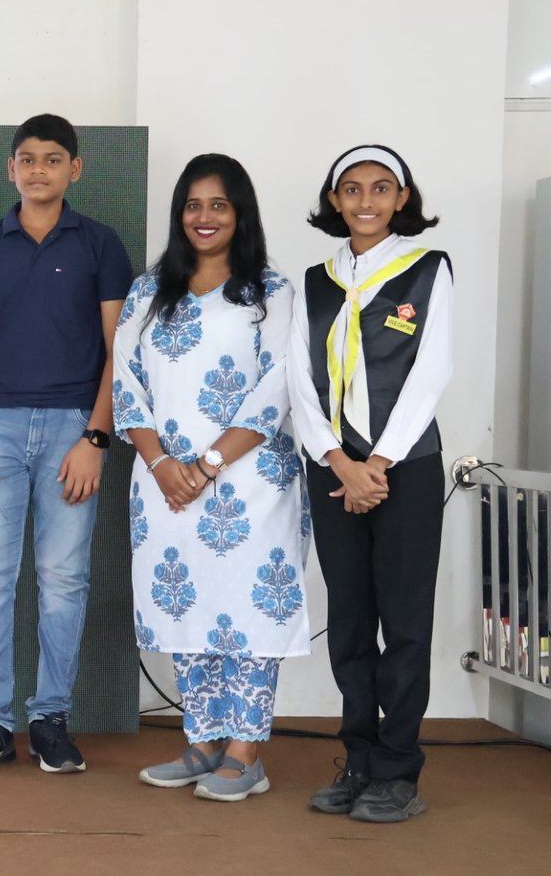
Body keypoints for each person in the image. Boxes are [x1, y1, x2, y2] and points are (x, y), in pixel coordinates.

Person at [113, 154, 309, 802]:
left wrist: (207, 465)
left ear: (240, 213)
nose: (204, 217)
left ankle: (246, 752)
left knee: (248, 610)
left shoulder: (271, 292)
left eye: (218, 205)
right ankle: (202, 741)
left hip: (252, 482)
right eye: (193, 205)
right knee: (185, 604)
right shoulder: (148, 292)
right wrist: (162, 465)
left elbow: (277, 386)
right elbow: (125, 384)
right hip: (163, 483)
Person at [0, 113, 134, 774]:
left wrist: (96, 437)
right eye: (27, 159)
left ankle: (51, 717)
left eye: (53, 159)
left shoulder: (100, 244)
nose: (38, 170)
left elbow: (120, 351)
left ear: (74, 169)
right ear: (11, 168)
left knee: (63, 581)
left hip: (72, 429)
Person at [287, 144, 450, 823]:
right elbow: (299, 379)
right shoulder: (315, 280)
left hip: (404, 468)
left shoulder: (426, 269)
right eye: (351, 189)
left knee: (404, 622)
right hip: (333, 468)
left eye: (382, 188)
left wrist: (376, 464)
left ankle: (398, 769)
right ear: (334, 200)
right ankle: (358, 759)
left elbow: (431, 371)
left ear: (402, 198)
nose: (366, 200)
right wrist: (337, 459)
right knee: (350, 620)